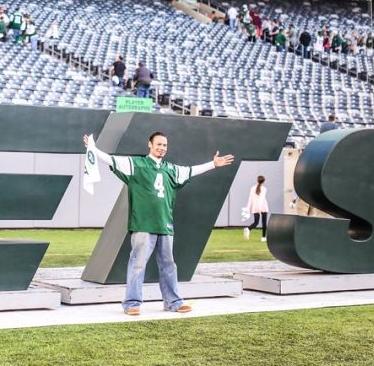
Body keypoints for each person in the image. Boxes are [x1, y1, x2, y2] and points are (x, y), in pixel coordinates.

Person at [83, 132, 235, 315]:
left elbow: (190, 170)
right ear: (150, 144)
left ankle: (174, 302)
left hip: (165, 224)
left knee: (169, 265)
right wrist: (93, 149)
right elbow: (109, 160)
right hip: (143, 224)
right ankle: (132, 303)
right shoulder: (136, 164)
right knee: (138, 264)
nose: (162, 147)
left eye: (165, 145)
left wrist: (212, 164)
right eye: (159, 144)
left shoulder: (171, 169)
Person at [244, 175, 269, 242]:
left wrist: (248, 208)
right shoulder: (264, 189)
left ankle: (248, 229)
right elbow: (261, 198)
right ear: (263, 181)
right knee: (264, 223)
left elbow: (250, 199)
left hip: (255, 207)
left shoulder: (252, 188)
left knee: (256, 222)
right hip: (263, 207)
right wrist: (260, 208)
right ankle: (263, 237)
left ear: (257, 180)